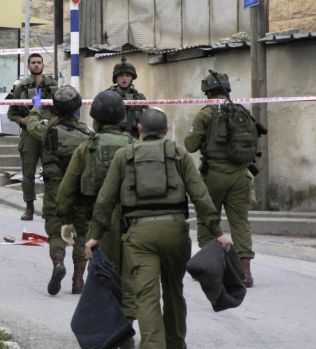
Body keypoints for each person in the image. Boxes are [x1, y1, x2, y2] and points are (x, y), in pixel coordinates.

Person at [85, 108, 231, 349]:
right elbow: (201, 196)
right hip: (175, 232)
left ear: (139, 130)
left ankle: (153, 345)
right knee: (174, 291)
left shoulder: (124, 156)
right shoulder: (179, 154)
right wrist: (218, 233)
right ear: (166, 131)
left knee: (146, 295)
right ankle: (175, 343)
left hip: (139, 236)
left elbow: (105, 200)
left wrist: (94, 237)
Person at [56, 90, 137, 311]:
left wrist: (66, 220)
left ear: (95, 118)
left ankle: (108, 329)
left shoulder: (86, 147)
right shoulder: (134, 145)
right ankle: (126, 322)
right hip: (132, 221)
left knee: (101, 275)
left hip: (96, 220)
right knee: (128, 275)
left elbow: (66, 190)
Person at [184, 72, 264, 288]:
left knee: (207, 218)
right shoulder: (241, 111)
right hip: (240, 175)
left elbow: (190, 145)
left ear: (207, 93)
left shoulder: (205, 114)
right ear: (227, 90)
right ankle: (245, 271)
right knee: (240, 222)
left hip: (214, 176)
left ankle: (211, 267)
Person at [24, 85, 92, 296]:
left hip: (55, 189)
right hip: (80, 191)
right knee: (81, 233)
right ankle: (78, 279)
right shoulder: (87, 135)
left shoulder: (47, 131)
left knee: (56, 231)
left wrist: (36, 107)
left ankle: (58, 264)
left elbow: (31, 125)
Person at [7, 53, 58, 221]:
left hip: (47, 132)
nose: (36, 65)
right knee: (28, 174)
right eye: (33, 63)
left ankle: (49, 208)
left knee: (51, 173)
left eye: (39, 62)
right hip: (29, 134)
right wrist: (21, 119)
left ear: (43, 65)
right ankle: (29, 207)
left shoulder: (53, 86)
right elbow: (11, 113)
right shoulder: (21, 87)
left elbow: (60, 108)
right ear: (28, 66)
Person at [107, 57, 148, 138]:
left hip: (133, 141)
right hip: (113, 139)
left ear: (132, 77)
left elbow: (147, 121)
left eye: (128, 75)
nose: (124, 78)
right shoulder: (108, 96)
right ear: (116, 78)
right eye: (121, 75)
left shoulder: (139, 98)